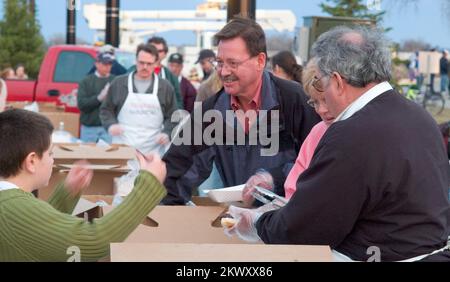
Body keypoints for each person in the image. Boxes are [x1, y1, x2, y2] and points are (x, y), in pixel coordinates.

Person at [225, 26, 450, 262]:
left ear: (337, 81)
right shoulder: (420, 116)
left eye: (321, 83)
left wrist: (257, 222)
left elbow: (308, 228)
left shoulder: (352, 134)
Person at [161, 17, 320, 205]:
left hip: (289, 224)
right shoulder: (210, 113)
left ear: (260, 61)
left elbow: (321, 164)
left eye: (233, 63)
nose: (224, 72)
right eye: (219, 63)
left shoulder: (293, 100)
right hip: (237, 223)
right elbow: (176, 172)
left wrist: (273, 179)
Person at [0, 109, 167, 261]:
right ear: (31, 161)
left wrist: (67, 193)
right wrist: (149, 183)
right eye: (50, 153)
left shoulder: (10, 204)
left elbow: (35, 238)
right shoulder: (13, 208)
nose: (53, 159)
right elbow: (92, 241)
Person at [242, 58, 335, 205]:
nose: (322, 109)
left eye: (327, 99)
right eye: (315, 102)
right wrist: (272, 178)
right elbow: (301, 172)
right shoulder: (317, 131)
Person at [100, 44, 178, 155]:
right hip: (123, 146)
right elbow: (106, 110)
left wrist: (167, 132)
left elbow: (173, 115)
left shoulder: (165, 87)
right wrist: (111, 124)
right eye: (141, 63)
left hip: (153, 150)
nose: (145, 67)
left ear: (156, 64)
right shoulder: (119, 83)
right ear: (136, 61)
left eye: (149, 64)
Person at [127, 37, 184, 109]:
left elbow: (178, 102)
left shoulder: (171, 76)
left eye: (159, 51)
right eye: (152, 49)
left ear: (165, 54)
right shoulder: (130, 73)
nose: (156, 52)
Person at [77, 52, 116, 143]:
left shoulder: (115, 81)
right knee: (87, 155)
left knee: (107, 156)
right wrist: (99, 98)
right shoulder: (86, 81)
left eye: (110, 64)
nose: (107, 66)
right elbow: (82, 105)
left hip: (108, 128)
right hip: (89, 129)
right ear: (97, 64)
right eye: (105, 63)